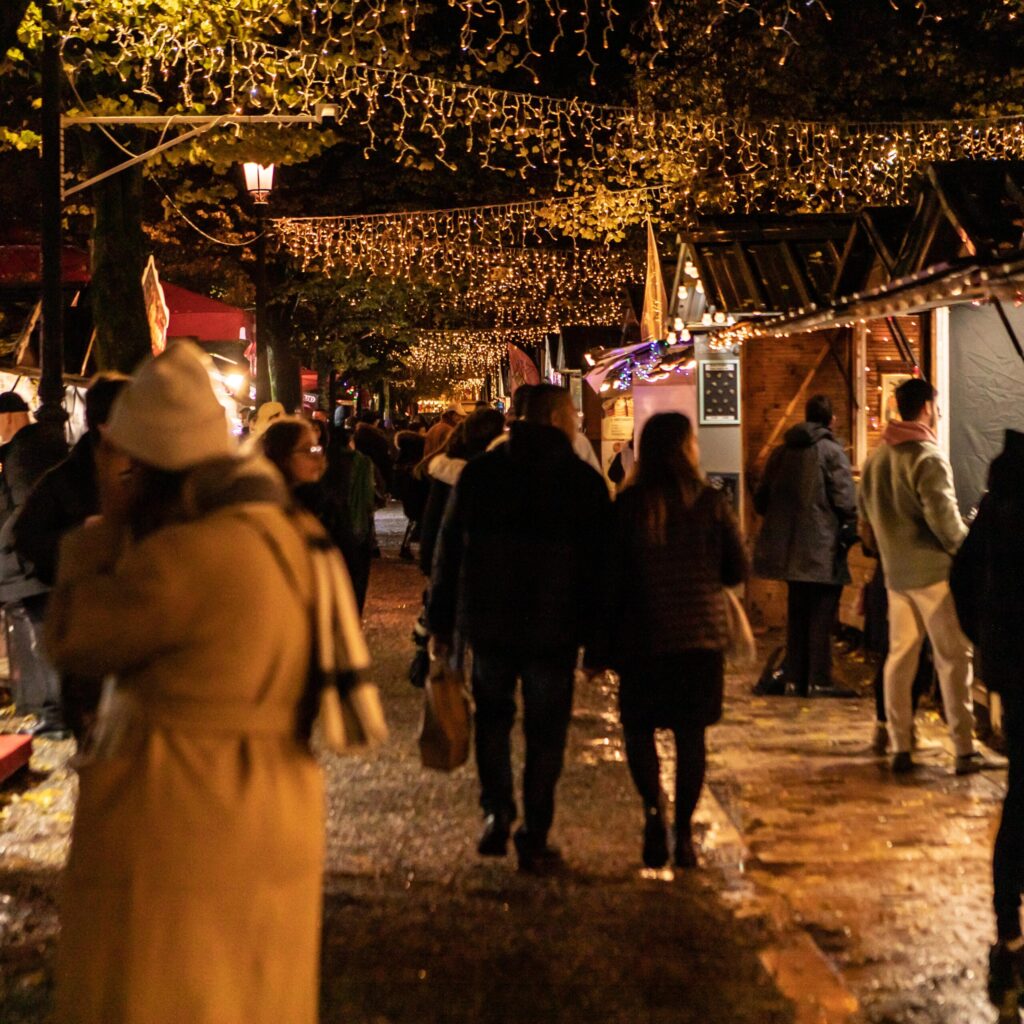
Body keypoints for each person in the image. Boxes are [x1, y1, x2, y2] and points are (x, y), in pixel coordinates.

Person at [43, 341, 355, 1024]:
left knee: (167, 986)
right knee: (249, 985)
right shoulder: (287, 533)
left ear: (140, 466)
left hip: (180, 801)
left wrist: (100, 534)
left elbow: (76, 635)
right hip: (272, 794)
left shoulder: (179, 559)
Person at [427, 384, 611, 874]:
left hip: (490, 621)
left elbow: (449, 553)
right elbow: (601, 569)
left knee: (493, 717)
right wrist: (599, 640)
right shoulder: (582, 482)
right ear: (556, 419)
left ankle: (496, 810)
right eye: (571, 414)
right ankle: (535, 831)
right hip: (556, 627)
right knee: (546, 730)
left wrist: (441, 622)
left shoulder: (481, 475)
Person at [607, 413, 748, 869]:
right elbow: (735, 569)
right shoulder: (710, 502)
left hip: (643, 638)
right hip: (698, 640)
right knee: (691, 738)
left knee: (639, 729)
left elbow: (609, 577)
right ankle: (683, 831)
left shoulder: (629, 505)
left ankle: (653, 813)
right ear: (687, 447)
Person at [859, 377, 988, 775]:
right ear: (929, 407)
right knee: (953, 658)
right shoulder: (927, 457)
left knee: (901, 658)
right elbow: (945, 523)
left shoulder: (877, 458)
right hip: (933, 574)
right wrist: (971, 551)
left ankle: (900, 743)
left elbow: (865, 520)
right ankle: (964, 747)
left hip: (895, 576)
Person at [10, 374, 130, 741]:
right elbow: (28, 536)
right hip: (71, 602)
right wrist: (82, 533)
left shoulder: (146, 471)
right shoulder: (66, 478)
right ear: (108, 426)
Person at [950, 429, 1024, 1008]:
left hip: (1016, 676)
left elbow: (963, 579)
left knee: (1019, 799)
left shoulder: (997, 506)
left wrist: (992, 648)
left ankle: (1009, 934)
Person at [752, 394, 857, 697]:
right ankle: (820, 678)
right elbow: (846, 501)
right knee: (822, 614)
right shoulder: (832, 452)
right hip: (822, 546)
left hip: (788, 550)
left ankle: (795, 676)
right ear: (831, 420)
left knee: (797, 613)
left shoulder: (781, 452)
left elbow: (762, 500)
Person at [0, 390, 69, 735]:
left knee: (41, 638)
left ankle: (53, 713)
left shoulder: (23, 452)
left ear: (10, 418)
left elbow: (25, 507)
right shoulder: (46, 443)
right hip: (38, 561)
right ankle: (51, 711)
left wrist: (7, 542)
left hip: (29, 564)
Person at [261, 417, 375, 613]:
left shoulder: (326, 503)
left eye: (317, 448)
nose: (317, 457)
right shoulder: (267, 512)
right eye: (307, 450)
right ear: (282, 456)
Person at [417, 408, 506, 578]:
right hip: (480, 563)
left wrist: (429, 560)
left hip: (450, 558)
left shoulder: (446, 468)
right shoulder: (491, 470)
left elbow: (433, 517)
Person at [393, 429, 428, 562]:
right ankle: (406, 547)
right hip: (416, 494)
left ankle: (406, 546)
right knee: (415, 518)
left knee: (414, 518)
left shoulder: (401, 461)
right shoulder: (414, 464)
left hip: (410, 494)